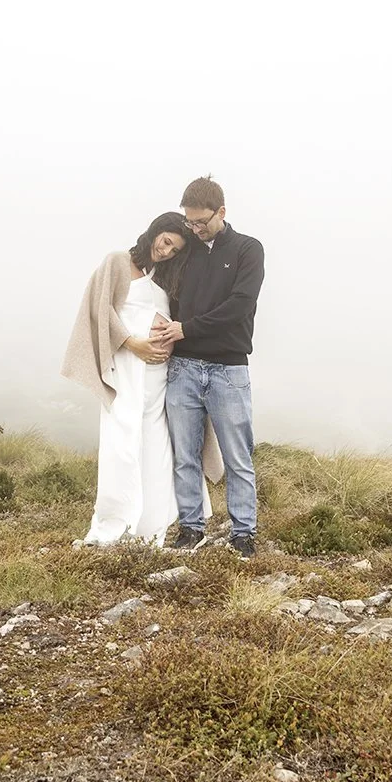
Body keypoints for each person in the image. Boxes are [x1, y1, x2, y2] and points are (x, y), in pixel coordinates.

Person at [60, 212, 219, 546]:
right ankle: (114, 523)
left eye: (175, 250)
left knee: (157, 449)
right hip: (127, 370)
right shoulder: (117, 261)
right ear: (155, 231)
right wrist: (134, 343)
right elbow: (100, 309)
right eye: (166, 242)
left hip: (159, 377)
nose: (166, 251)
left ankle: (150, 529)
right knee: (122, 444)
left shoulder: (163, 275)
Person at [153, 176, 265, 558]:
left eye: (201, 221)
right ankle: (191, 529)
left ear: (221, 212)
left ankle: (243, 534)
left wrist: (187, 328)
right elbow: (159, 286)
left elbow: (240, 306)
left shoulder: (249, 249)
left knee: (238, 457)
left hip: (228, 370)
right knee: (184, 454)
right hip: (182, 367)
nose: (195, 228)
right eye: (190, 221)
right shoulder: (186, 249)